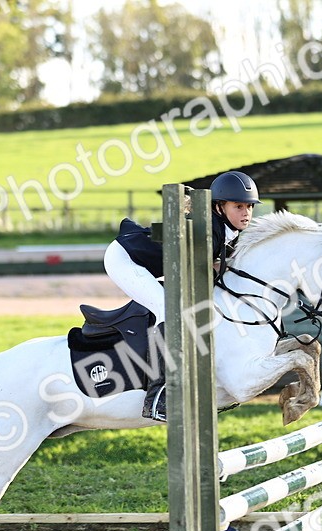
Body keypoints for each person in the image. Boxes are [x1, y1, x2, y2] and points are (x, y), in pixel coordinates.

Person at [103, 170, 261, 421]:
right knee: (168, 312)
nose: (246, 213)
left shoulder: (227, 231)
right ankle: (158, 396)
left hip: (150, 262)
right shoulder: (213, 230)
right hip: (125, 259)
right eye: (238, 206)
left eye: (249, 207)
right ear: (219, 207)